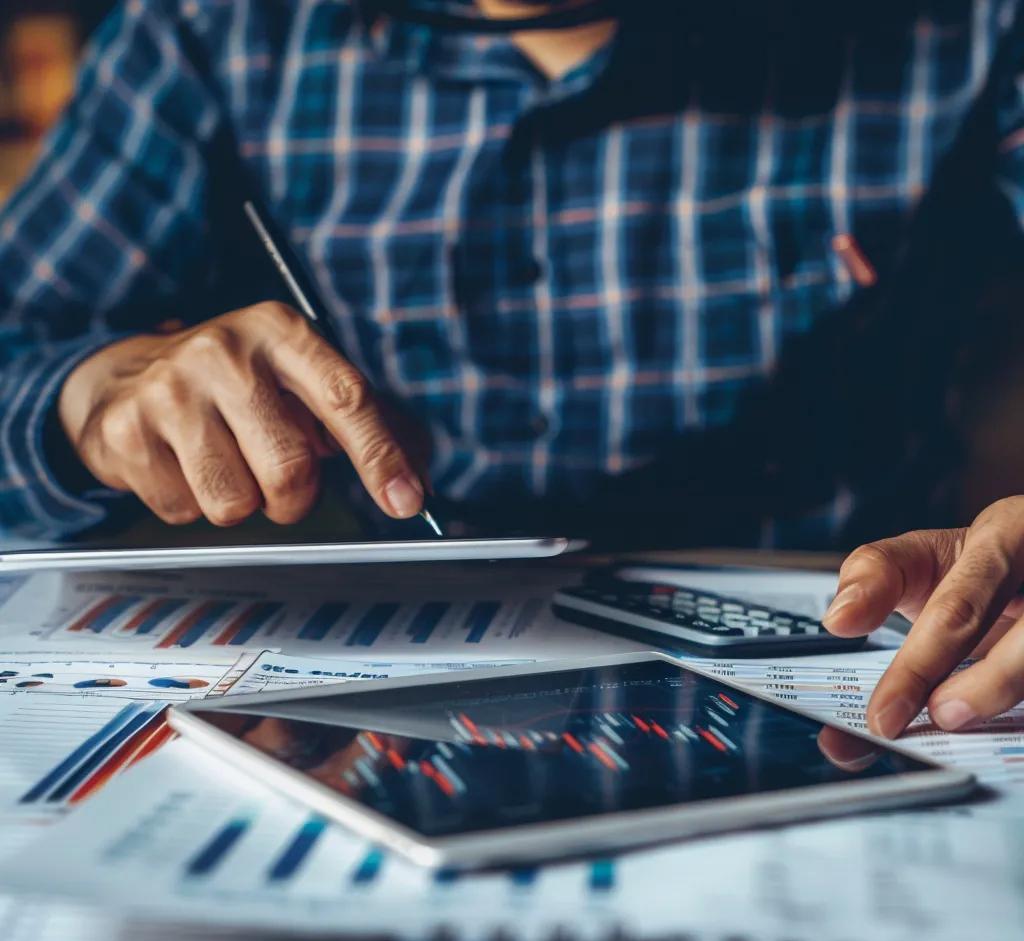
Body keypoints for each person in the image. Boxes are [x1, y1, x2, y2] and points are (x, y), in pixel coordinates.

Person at [2, 0, 1024, 739]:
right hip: (381, 706)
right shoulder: (214, 29)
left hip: (857, 673)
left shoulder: (963, 27)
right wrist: (88, 400)